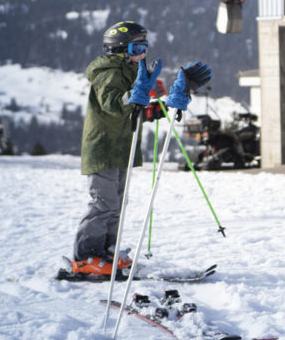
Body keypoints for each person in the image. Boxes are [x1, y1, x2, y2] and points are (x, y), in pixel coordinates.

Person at [71, 21, 211, 277]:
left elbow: (138, 110)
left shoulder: (131, 72)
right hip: (103, 148)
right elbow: (114, 104)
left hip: (121, 148)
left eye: (145, 47)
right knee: (103, 204)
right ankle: (85, 258)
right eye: (137, 48)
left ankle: (106, 251)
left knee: (116, 204)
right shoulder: (109, 73)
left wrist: (171, 101)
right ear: (119, 50)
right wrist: (135, 94)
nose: (142, 54)